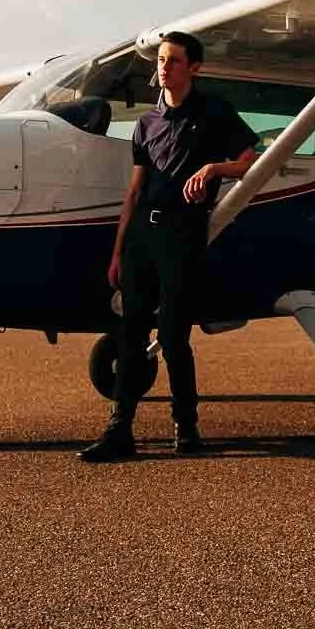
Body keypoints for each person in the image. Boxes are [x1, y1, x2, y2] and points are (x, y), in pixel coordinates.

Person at [79, 30, 258, 462]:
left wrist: (214, 168)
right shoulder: (146, 124)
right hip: (143, 234)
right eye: (161, 59)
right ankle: (119, 432)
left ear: (194, 68)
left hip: (182, 235)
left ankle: (187, 429)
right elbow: (135, 192)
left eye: (174, 60)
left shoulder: (215, 112)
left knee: (175, 337)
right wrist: (119, 251)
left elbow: (251, 160)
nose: (164, 67)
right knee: (130, 335)